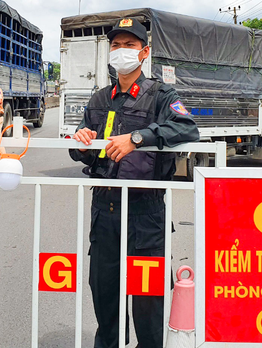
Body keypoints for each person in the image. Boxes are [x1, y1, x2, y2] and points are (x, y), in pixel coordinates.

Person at [70, 18, 199, 348]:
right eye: (115, 46)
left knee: (147, 302)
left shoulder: (160, 95)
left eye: (129, 45)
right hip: (105, 210)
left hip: (145, 214)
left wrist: (139, 137)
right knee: (104, 294)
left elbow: (186, 129)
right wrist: (81, 139)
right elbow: (81, 152)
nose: (121, 51)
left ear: (144, 53)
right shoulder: (100, 99)